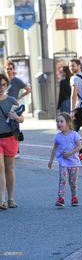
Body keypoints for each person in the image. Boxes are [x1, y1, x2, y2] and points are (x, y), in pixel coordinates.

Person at [48, 112, 82, 207]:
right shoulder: (58, 136)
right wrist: (50, 160)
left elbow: (79, 146)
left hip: (74, 163)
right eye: (57, 122)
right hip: (63, 162)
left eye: (61, 121)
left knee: (73, 182)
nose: (59, 123)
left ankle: (74, 197)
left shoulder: (75, 135)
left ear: (68, 122)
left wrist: (70, 154)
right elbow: (54, 148)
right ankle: (61, 198)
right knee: (62, 179)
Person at [0, 74, 24, 210]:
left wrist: (16, 116)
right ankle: (1, 200)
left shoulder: (12, 100)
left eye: (4, 84)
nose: (1, 87)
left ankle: (10, 199)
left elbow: (21, 119)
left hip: (10, 138)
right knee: (0, 168)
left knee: (9, 169)